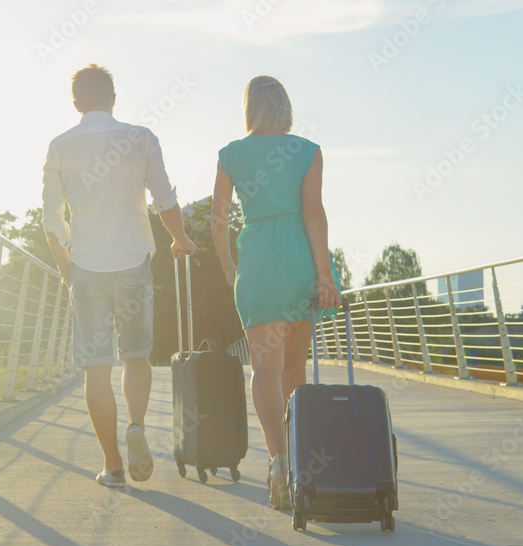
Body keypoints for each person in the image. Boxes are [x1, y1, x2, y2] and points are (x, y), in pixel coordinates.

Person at [43, 64, 197, 488]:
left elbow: (51, 218)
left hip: (86, 269)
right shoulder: (141, 138)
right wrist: (180, 239)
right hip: (132, 265)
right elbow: (164, 198)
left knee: (97, 369)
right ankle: (136, 427)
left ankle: (112, 466)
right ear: (113, 99)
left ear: (76, 104)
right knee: (136, 356)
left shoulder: (60, 146)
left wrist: (66, 267)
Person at [211, 75, 340, 509]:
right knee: (294, 372)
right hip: (298, 264)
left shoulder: (231, 155)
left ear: (250, 108)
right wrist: (323, 276)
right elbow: (313, 213)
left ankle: (278, 459)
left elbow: (217, 218)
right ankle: (301, 459)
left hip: (259, 263)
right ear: (284, 106)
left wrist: (230, 266)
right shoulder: (308, 151)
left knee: (264, 370)